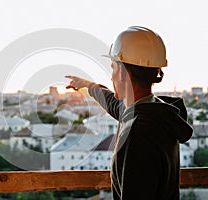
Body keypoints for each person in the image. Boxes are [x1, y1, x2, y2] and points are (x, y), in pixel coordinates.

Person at [65, 26, 193, 200]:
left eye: (113, 67)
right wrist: (87, 86)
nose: (111, 76)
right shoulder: (157, 113)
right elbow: (114, 104)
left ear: (123, 73)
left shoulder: (137, 133)